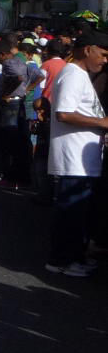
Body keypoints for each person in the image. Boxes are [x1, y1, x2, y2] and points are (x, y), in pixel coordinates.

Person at [45, 29, 108, 277]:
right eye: (102, 55)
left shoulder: (80, 75)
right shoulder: (72, 74)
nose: (104, 61)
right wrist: (103, 123)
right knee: (70, 213)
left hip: (84, 160)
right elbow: (64, 113)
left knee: (79, 213)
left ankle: (75, 257)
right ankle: (61, 260)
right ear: (87, 49)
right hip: (73, 159)